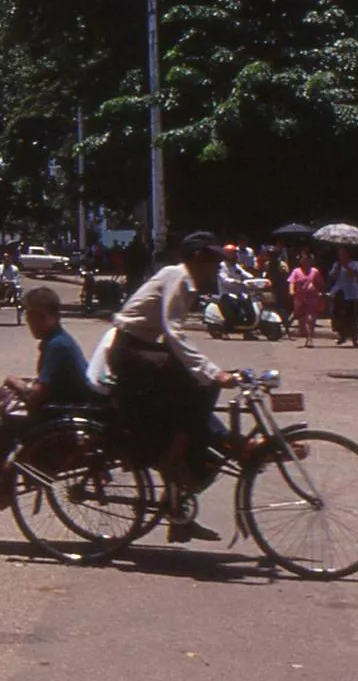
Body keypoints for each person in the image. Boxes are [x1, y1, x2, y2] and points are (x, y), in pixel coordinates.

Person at [100, 231, 239, 543]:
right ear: (199, 259)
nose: (217, 268)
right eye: (214, 261)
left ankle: (180, 500)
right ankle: (175, 455)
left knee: (199, 384)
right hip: (129, 351)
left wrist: (203, 370)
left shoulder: (185, 282)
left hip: (140, 348)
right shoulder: (178, 278)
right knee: (204, 385)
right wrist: (211, 371)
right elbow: (173, 332)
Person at [0, 286, 93, 508]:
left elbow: (37, 397)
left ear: (55, 316)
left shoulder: (58, 346)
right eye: (30, 316)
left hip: (58, 420)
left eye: (39, 317)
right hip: (61, 411)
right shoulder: (59, 341)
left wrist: (14, 382)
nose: (32, 323)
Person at [328, 246, 358, 348]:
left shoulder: (354, 264)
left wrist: (346, 266)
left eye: (343, 253)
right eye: (340, 254)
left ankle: (354, 338)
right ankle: (342, 335)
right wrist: (338, 268)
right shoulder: (336, 264)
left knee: (352, 316)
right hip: (339, 291)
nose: (341, 256)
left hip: (352, 293)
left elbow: (356, 274)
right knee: (338, 315)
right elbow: (332, 277)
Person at [289, 248, 325, 348]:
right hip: (299, 298)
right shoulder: (296, 271)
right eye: (304, 259)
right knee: (301, 319)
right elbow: (292, 282)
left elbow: (321, 283)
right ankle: (303, 333)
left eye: (308, 259)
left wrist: (317, 288)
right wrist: (291, 290)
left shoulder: (315, 271)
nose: (306, 261)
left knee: (311, 318)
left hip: (312, 297)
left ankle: (310, 338)